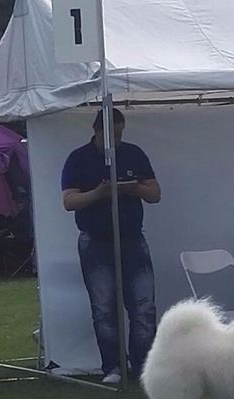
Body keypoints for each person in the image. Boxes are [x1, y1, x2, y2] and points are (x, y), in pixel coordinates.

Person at [61, 108, 161, 384]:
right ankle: (113, 367)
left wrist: (133, 188)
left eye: (119, 134)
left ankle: (142, 366)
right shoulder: (78, 159)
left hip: (132, 238)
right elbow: (69, 201)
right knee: (104, 307)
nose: (115, 140)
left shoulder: (133, 154)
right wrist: (99, 193)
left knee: (143, 306)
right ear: (96, 130)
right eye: (110, 134)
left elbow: (155, 193)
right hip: (95, 241)